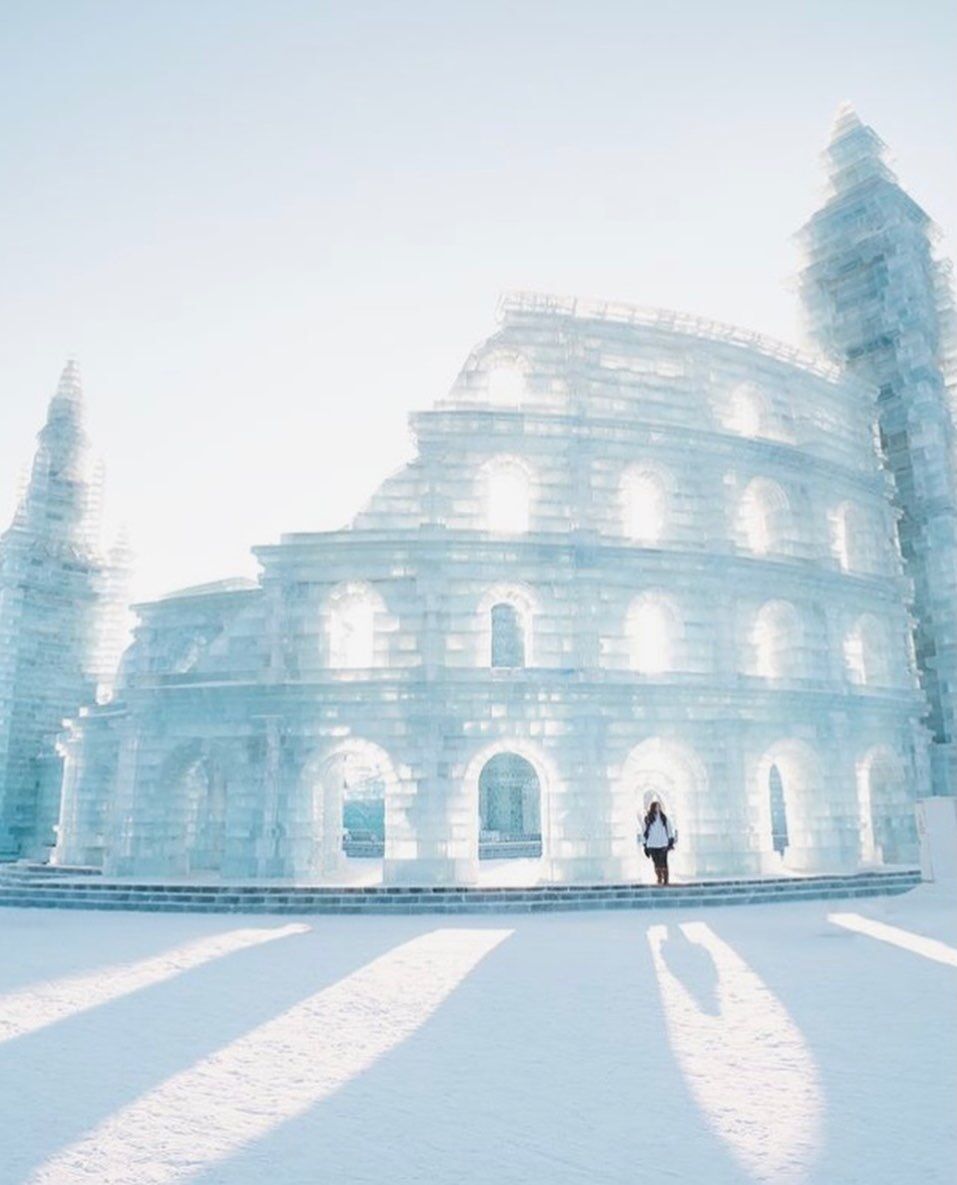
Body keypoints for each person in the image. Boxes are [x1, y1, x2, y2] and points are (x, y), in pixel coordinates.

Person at [642, 800, 676, 886]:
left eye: (659, 806)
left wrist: (671, 840)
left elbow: (669, 829)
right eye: (656, 806)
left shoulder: (664, 818)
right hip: (652, 844)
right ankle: (659, 877)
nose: (658, 808)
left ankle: (666, 879)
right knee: (656, 861)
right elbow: (644, 831)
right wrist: (645, 844)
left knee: (663, 861)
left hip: (662, 843)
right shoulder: (648, 818)